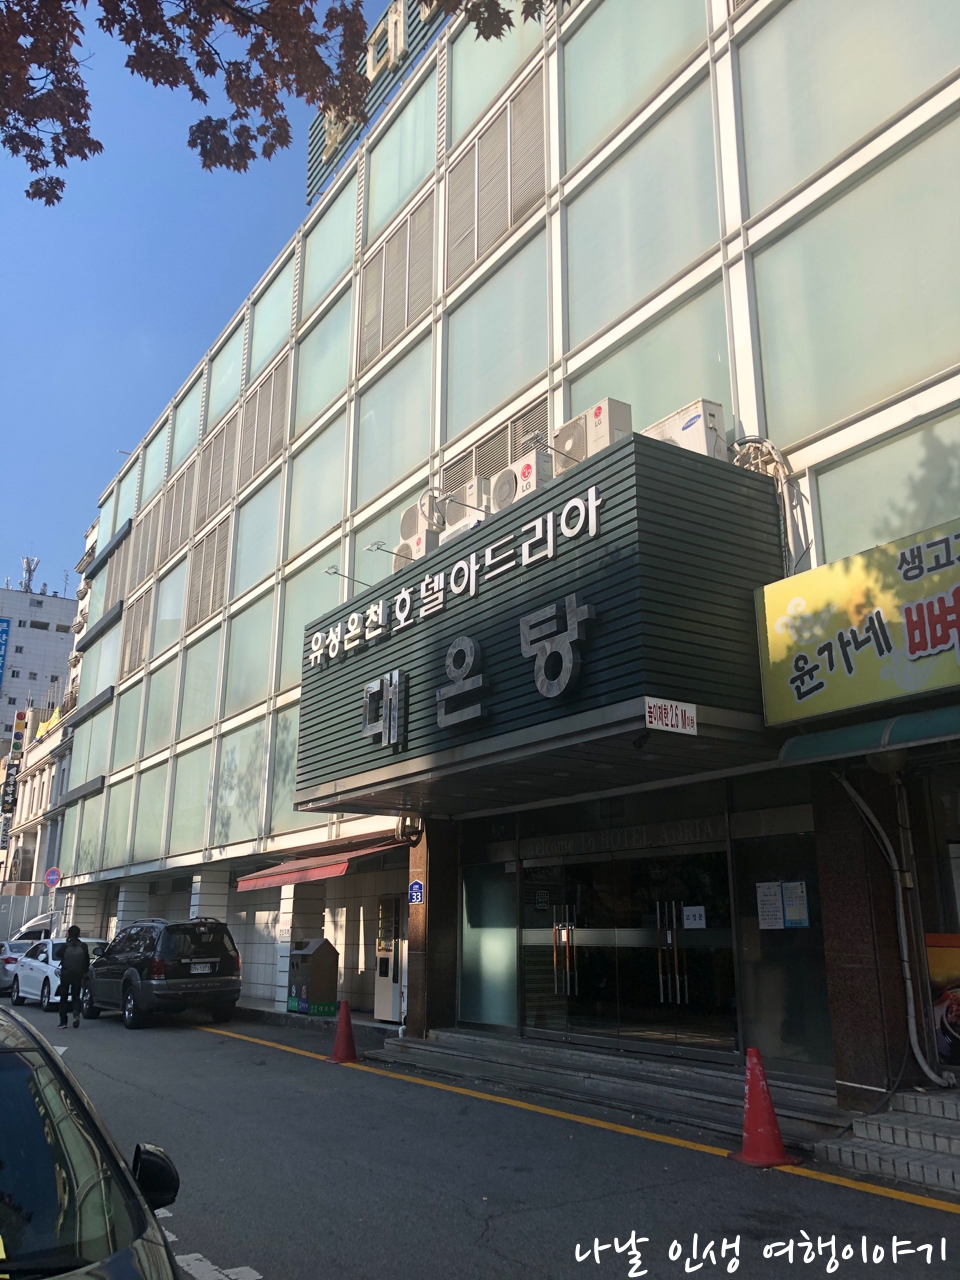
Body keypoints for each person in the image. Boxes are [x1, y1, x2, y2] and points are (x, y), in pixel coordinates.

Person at [59, 925, 90, 1029]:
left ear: (68, 933)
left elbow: (58, 954)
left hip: (65, 974)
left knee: (63, 997)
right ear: (79, 934)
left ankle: (63, 1022)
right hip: (78, 974)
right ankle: (76, 1012)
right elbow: (87, 960)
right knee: (76, 996)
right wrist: (84, 972)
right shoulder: (83, 946)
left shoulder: (65, 946)